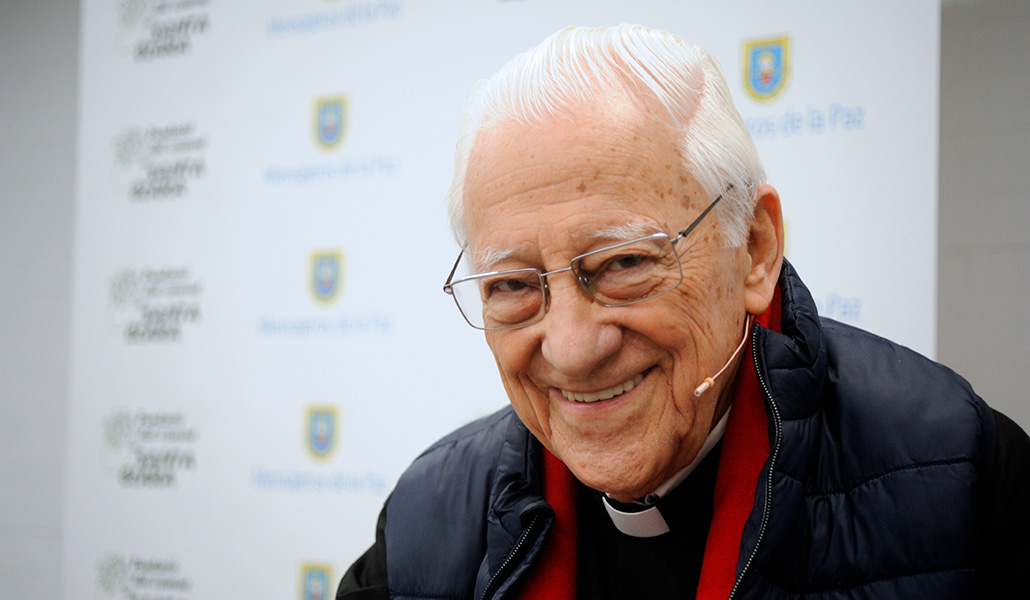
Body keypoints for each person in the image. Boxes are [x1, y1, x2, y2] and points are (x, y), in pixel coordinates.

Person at [337, 25, 1030, 600]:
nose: (573, 348)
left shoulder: (963, 479)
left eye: (623, 264)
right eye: (513, 285)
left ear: (754, 250)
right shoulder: (426, 521)